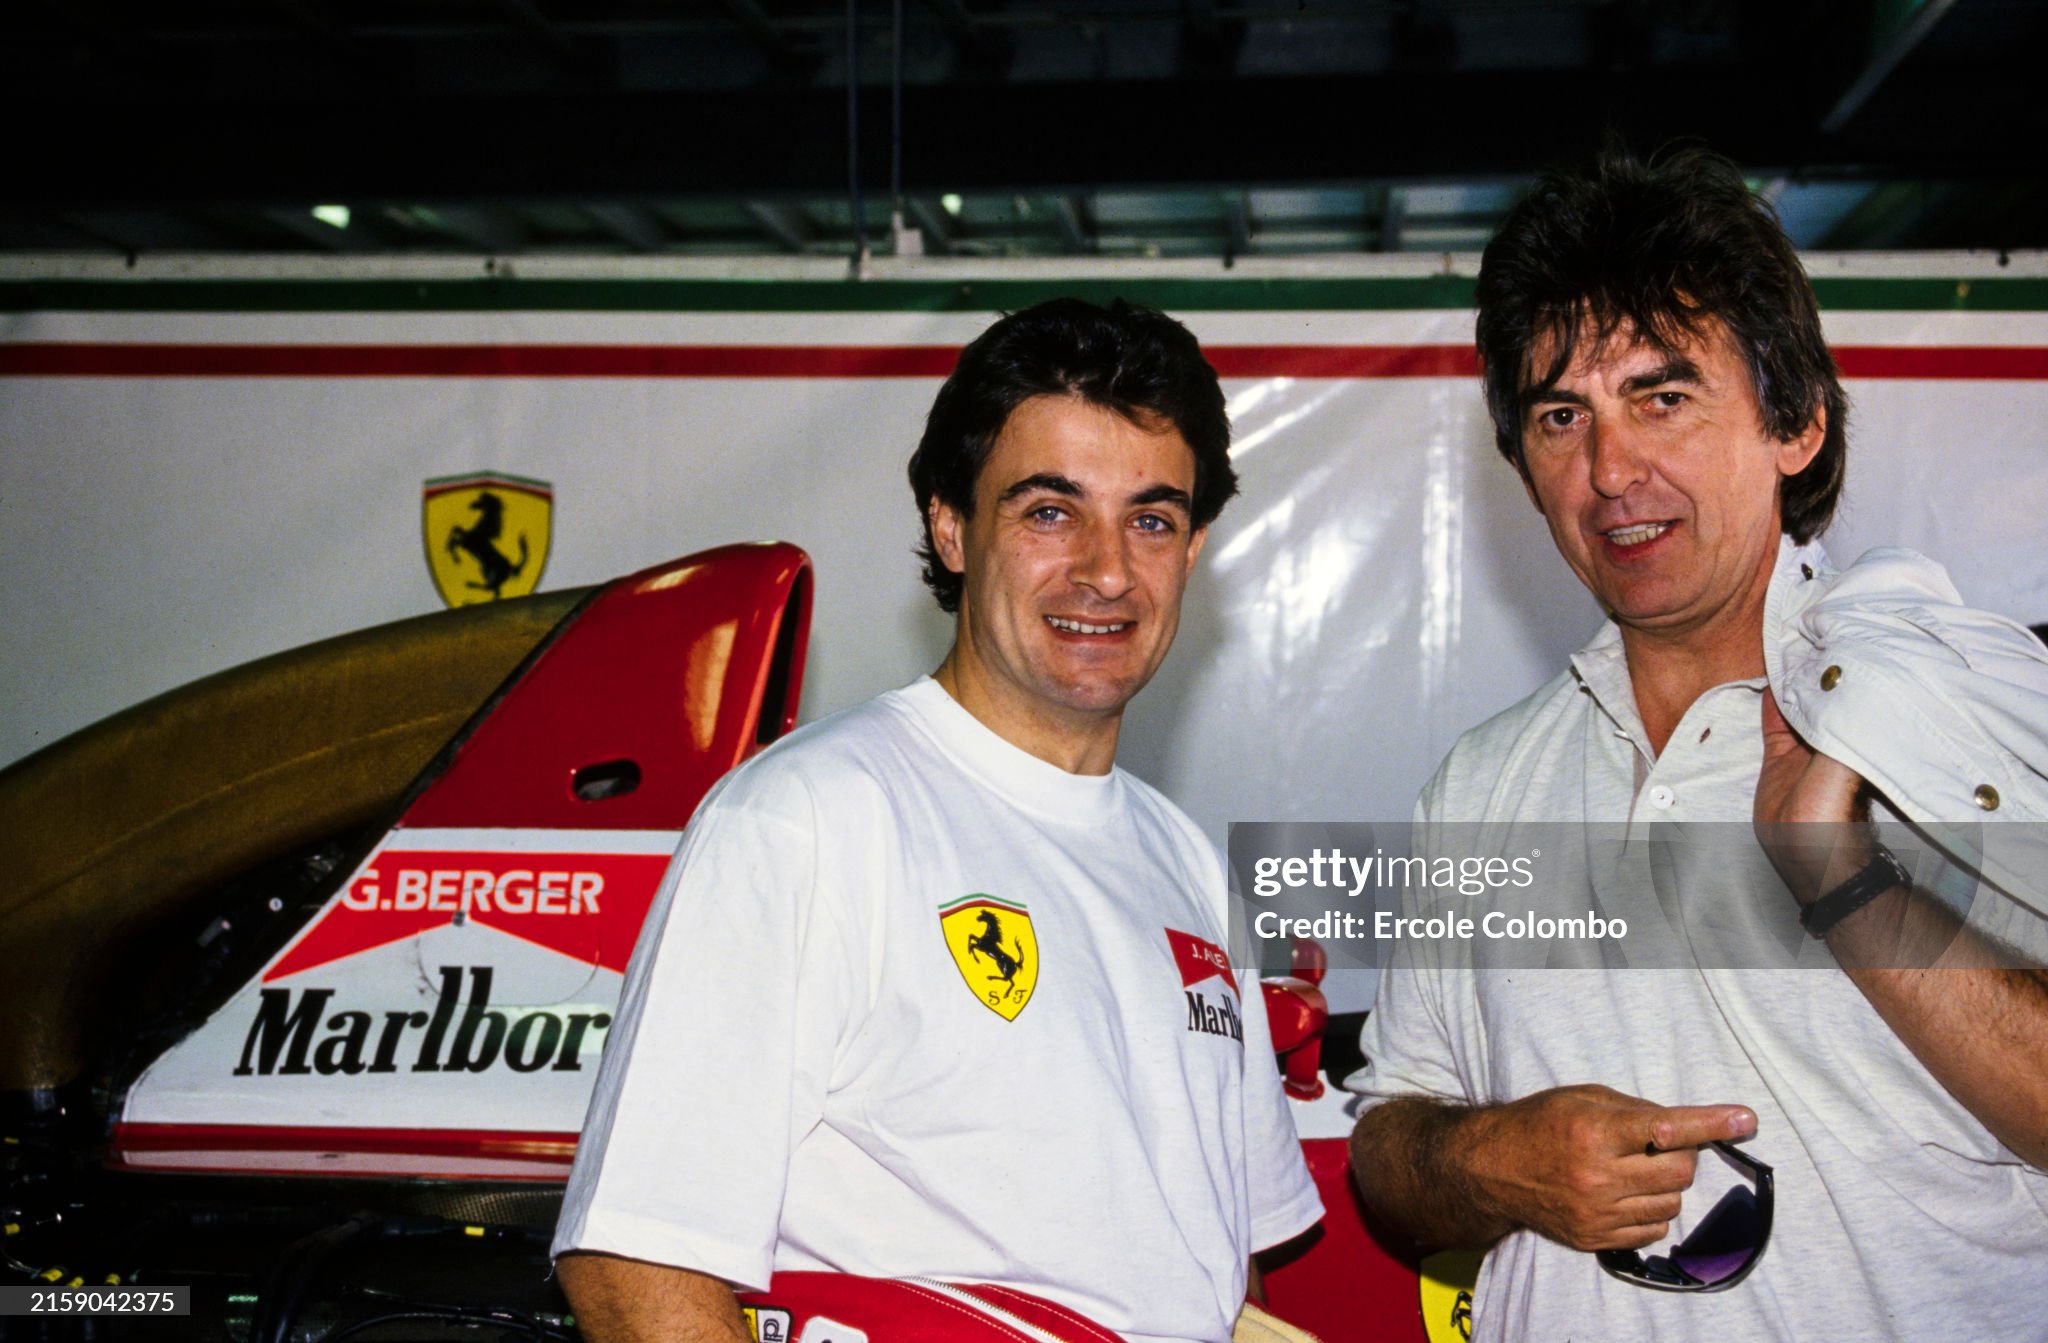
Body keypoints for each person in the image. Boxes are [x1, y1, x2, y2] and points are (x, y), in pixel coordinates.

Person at [1346, 146, 2048, 1340]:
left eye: (1661, 396)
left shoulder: (1961, 710)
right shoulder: (1485, 779)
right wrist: (1488, 1157)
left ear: (1795, 424)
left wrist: (1842, 877)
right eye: (1561, 415)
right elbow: (1386, 1148)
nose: (1611, 469)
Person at [553, 297, 1322, 1343]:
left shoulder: (1183, 860)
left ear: (1190, 551)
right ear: (950, 526)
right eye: (1048, 511)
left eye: (1150, 517)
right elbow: (633, 1264)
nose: (1106, 569)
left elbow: (1216, 1278)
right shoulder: (808, 820)